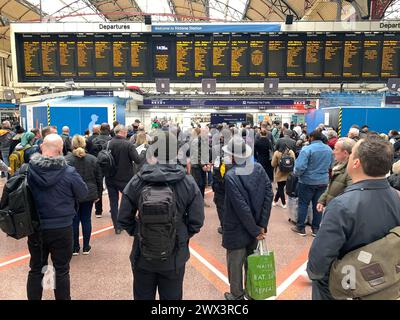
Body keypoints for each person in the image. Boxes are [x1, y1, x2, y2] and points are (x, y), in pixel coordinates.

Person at [307, 136, 400, 300]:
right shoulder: (397, 197)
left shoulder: (341, 205)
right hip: (386, 282)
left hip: (346, 285)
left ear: (356, 163)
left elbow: (319, 260)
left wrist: (314, 273)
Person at [118, 131, 204, 300]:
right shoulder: (187, 181)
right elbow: (197, 220)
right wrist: (180, 232)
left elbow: (123, 218)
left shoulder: (138, 180)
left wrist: (140, 231)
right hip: (175, 254)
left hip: (143, 252)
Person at [26, 134, 88, 300]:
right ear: (61, 150)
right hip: (62, 227)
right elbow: (83, 194)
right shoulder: (69, 172)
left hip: (35, 227)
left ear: (41, 148)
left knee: (36, 268)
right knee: (61, 269)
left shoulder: (28, 170)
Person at [222, 136, 273, 300]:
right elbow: (269, 194)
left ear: (233, 156)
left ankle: (236, 295)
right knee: (252, 261)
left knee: (235, 264)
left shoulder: (231, 176)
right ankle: (252, 293)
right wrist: (261, 225)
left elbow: (240, 207)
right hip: (257, 226)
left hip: (236, 228)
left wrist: (254, 229)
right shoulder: (258, 168)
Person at [291, 130, 334, 237]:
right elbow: (331, 165)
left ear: (311, 137)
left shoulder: (307, 149)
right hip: (323, 182)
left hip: (307, 181)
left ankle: (300, 227)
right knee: (318, 205)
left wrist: (296, 174)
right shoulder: (329, 149)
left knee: (303, 204)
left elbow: (300, 167)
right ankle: (315, 229)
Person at [65, 135, 103, 256]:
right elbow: (98, 178)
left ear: (72, 145)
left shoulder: (67, 160)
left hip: (73, 194)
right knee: (86, 219)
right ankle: (86, 246)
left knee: (74, 221)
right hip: (89, 192)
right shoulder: (93, 159)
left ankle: (75, 247)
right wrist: (99, 194)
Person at [106, 124, 145, 234]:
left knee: (113, 203)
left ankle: (117, 227)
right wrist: (142, 152)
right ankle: (131, 222)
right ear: (123, 132)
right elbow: (137, 160)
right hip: (125, 179)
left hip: (110, 177)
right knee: (132, 200)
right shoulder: (128, 144)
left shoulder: (109, 143)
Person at [316, 138, 354, 213]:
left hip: (338, 213)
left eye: (336, 149)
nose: (333, 152)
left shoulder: (351, 171)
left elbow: (351, 197)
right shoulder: (338, 165)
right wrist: (322, 200)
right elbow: (331, 186)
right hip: (332, 210)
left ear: (345, 153)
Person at [91, 123, 112, 218]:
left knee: (99, 187)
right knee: (111, 188)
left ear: (100, 129)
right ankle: (113, 209)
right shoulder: (111, 140)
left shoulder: (94, 140)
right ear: (109, 129)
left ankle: (98, 211)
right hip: (109, 166)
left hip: (97, 166)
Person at [189, 127, 211, 199]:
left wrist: (207, 163)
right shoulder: (196, 141)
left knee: (203, 184)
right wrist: (203, 165)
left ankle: (201, 200)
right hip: (196, 166)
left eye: (207, 133)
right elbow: (196, 154)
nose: (207, 134)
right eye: (205, 133)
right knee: (198, 184)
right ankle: (196, 201)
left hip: (202, 166)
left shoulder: (204, 140)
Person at [271, 144, 295, 208]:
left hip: (279, 172)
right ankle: (275, 201)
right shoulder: (291, 152)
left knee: (280, 188)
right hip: (288, 173)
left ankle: (283, 203)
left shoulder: (277, 153)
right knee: (281, 188)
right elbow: (294, 161)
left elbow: (273, 164)